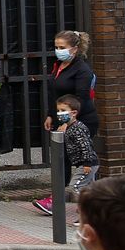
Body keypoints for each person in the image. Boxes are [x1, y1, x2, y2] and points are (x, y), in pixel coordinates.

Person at [35, 30, 98, 215]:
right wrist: (51, 115)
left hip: (81, 121)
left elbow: (82, 99)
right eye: (56, 47)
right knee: (75, 160)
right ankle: (90, 203)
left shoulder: (82, 70)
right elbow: (56, 94)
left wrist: (68, 122)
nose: (58, 50)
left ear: (75, 49)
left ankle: (57, 201)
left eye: (62, 47)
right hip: (63, 119)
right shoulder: (59, 66)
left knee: (74, 160)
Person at [33, 95, 100, 219]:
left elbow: (85, 146)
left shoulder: (77, 128)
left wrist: (87, 163)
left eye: (63, 111)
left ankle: (86, 213)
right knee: (89, 189)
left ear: (74, 113)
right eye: (58, 111)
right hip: (85, 163)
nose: (59, 114)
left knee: (75, 186)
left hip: (88, 163)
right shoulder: (69, 127)